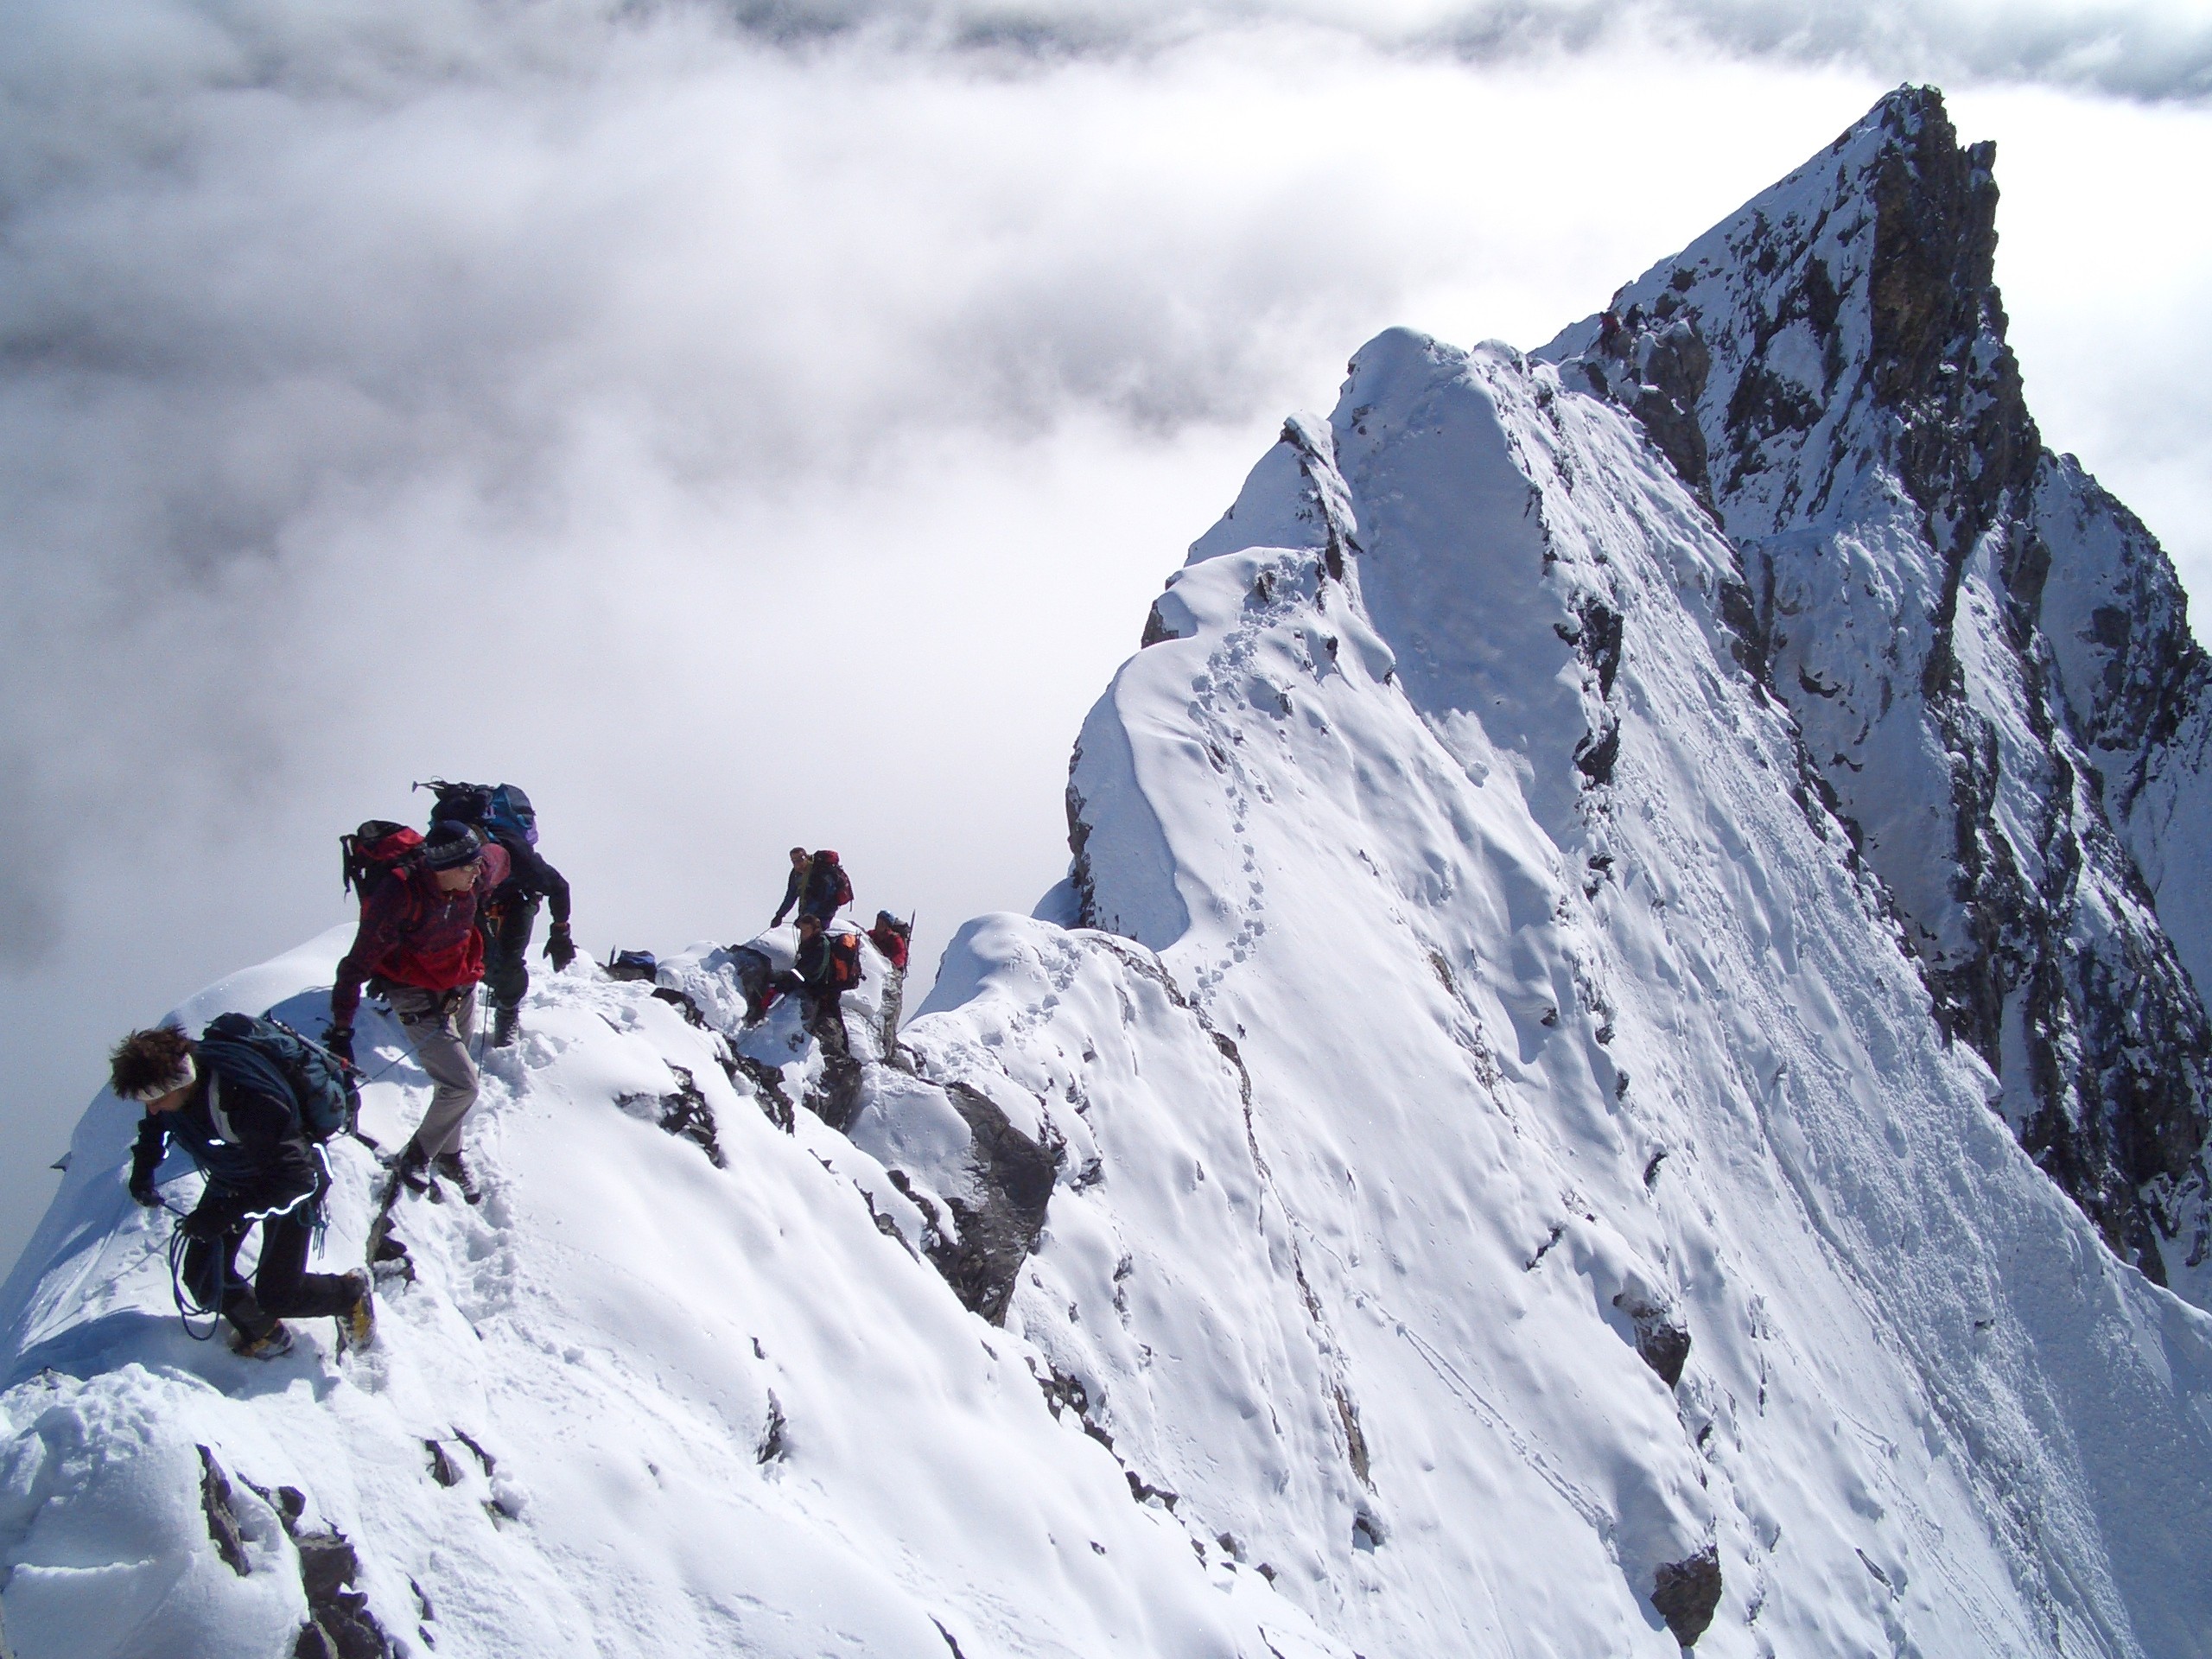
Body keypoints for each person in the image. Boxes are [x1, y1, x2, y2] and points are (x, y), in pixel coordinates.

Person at [116, 1022, 372, 1358]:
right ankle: (265, 1332)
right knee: (203, 1277)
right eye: (144, 1098)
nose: (151, 1106)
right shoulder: (177, 1095)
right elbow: (155, 1125)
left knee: (280, 1293)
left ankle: (349, 1293)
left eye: (155, 1098)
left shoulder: (247, 1100)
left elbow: (296, 1178)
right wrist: (143, 1170)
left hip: (290, 1185)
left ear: (181, 1081)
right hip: (236, 1175)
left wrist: (225, 1214)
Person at [326, 819, 510, 1201]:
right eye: (469, 866)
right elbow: (356, 964)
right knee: (463, 1085)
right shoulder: (400, 894)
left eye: (477, 864)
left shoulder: (472, 875)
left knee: (455, 1085)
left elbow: (502, 856)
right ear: (442, 869)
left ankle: (449, 1152)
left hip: (460, 986)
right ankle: (416, 1156)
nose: (478, 872)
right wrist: (341, 1030)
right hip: (414, 994)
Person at [471, 796, 575, 1048]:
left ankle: (507, 1011)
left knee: (507, 962)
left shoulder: (523, 862)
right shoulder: (456, 862)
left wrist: (560, 933)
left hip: (517, 897)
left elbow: (559, 887)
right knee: (476, 954)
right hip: (469, 899)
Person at [771, 848, 853, 929]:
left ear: (806, 857)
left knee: (816, 937)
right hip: (809, 913)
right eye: (794, 861)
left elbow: (821, 896)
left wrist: (804, 915)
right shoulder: (795, 875)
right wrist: (779, 915)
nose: (797, 864)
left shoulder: (819, 872)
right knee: (808, 938)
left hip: (824, 911)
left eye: (800, 859)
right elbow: (791, 896)